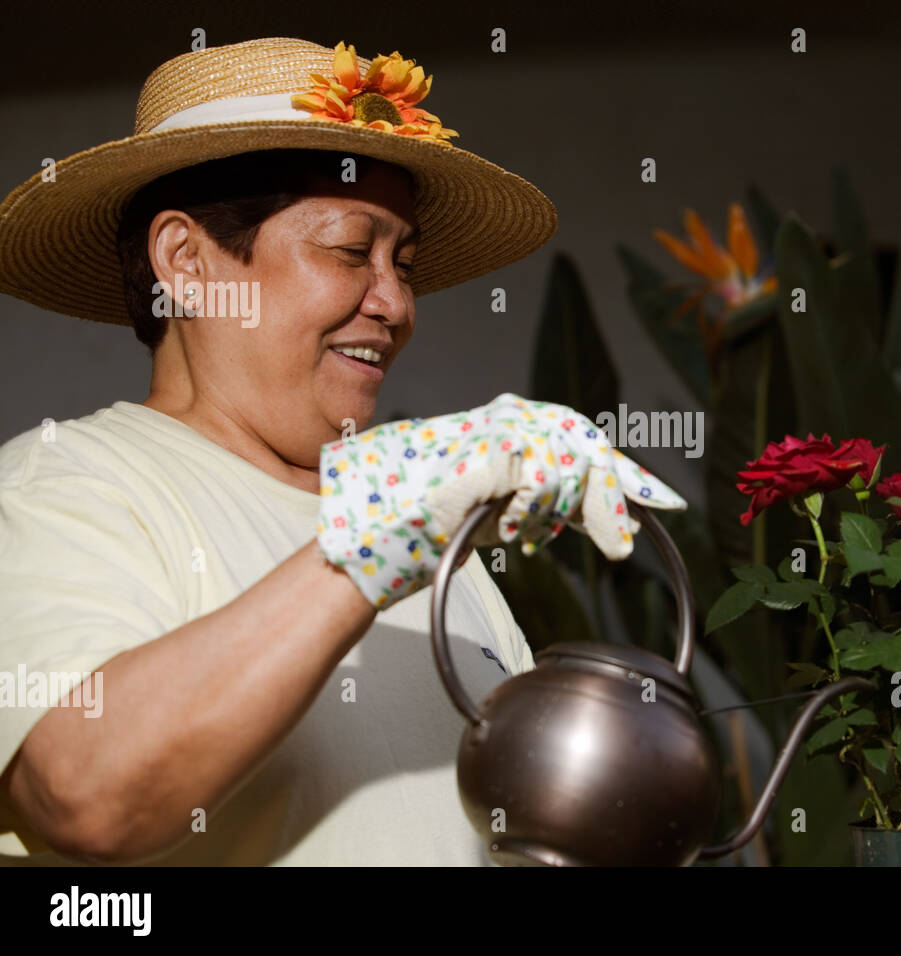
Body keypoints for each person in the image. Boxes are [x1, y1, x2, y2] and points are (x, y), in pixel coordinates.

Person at [0, 37, 684, 865]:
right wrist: (378, 534)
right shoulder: (64, 485)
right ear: (185, 262)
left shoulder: (444, 545)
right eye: (351, 251)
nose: (395, 302)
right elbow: (82, 794)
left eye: (405, 262)